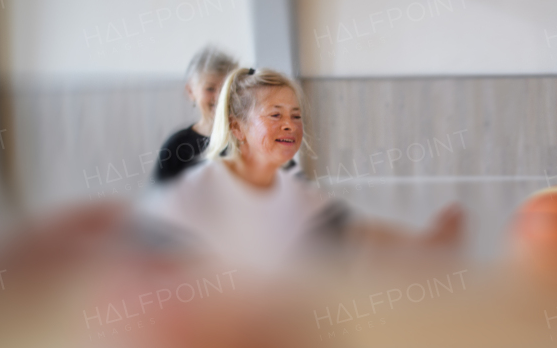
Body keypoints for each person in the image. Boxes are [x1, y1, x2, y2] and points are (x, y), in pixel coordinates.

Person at [140, 67, 461, 270]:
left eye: (295, 115)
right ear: (237, 128)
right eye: (275, 115)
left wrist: (426, 243)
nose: (290, 125)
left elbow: (354, 232)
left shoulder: (290, 187)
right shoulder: (202, 187)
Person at [154, 47, 239, 183]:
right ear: (191, 91)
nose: (219, 97)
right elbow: (161, 198)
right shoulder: (176, 146)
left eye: (226, 88)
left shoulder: (247, 139)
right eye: (210, 89)